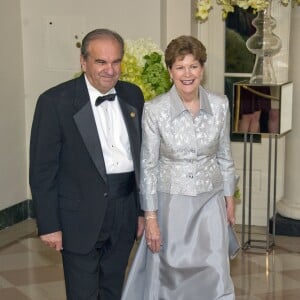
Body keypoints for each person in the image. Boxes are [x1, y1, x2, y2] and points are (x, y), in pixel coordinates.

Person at [29, 28, 145, 300]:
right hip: (79, 215)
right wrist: (49, 224)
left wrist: (142, 211)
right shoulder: (54, 102)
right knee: (83, 294)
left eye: (116, 62)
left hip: (124, 209)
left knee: (113, 288)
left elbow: (142, 159)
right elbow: (42, 170)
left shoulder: (133, 95)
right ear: (83, 62)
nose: (110, 70)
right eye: (101, 62)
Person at [121, 35, 236, 300]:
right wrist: (150, 217)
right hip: (170, 206)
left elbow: (225, 156)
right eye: (180, 67)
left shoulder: (220, 105)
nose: (188, 74)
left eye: (194, 66)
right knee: (170, 274)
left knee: (214, 270)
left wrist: (229, 199)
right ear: (170, 71)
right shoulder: (155, 110)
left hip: (210, 202)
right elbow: (148, 166)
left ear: (202, 69)